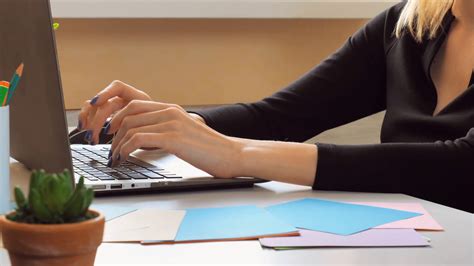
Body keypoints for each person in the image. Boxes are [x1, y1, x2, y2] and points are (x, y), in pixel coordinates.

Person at [78, 0, 474, 213]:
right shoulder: (406, 25)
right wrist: (174, 125)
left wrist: (238, 154)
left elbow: (461, 167)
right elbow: (280, 117)